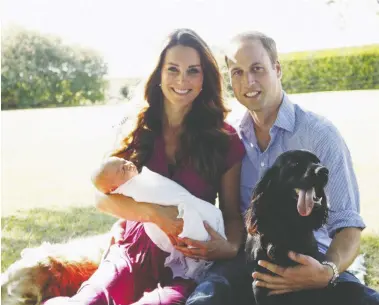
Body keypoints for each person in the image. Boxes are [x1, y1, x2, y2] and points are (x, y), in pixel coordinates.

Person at [53, 28, 246, 305]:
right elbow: (101, 197)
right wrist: (153, 213)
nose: (182, 79)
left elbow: (232, 213)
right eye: (173, 69)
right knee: (91, 301)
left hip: (186, 261)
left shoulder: (224, 139)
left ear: (206, 77)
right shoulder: (137, 127)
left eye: (193, 70)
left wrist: (228, 248)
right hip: (133, 250)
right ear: (159, 74)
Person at [224, 30, 379, 304]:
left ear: (277, 69)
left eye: (257, 68)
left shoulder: (319, 134)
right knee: (205, 295)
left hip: (315, 261)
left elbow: (348, 225)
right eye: (237, 72)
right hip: (253, 266)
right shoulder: (230, 138)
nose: (248, 80)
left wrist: (326, 271)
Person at [91, 156, 226, 280]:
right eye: (121, 170)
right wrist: (154, 213)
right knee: (105, 285)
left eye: (124, 162)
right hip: (134, 245)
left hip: (180, 240)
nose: (127, 164)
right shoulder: (136, 142)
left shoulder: (218, 145)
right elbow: (99, 198)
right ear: (114, 188)